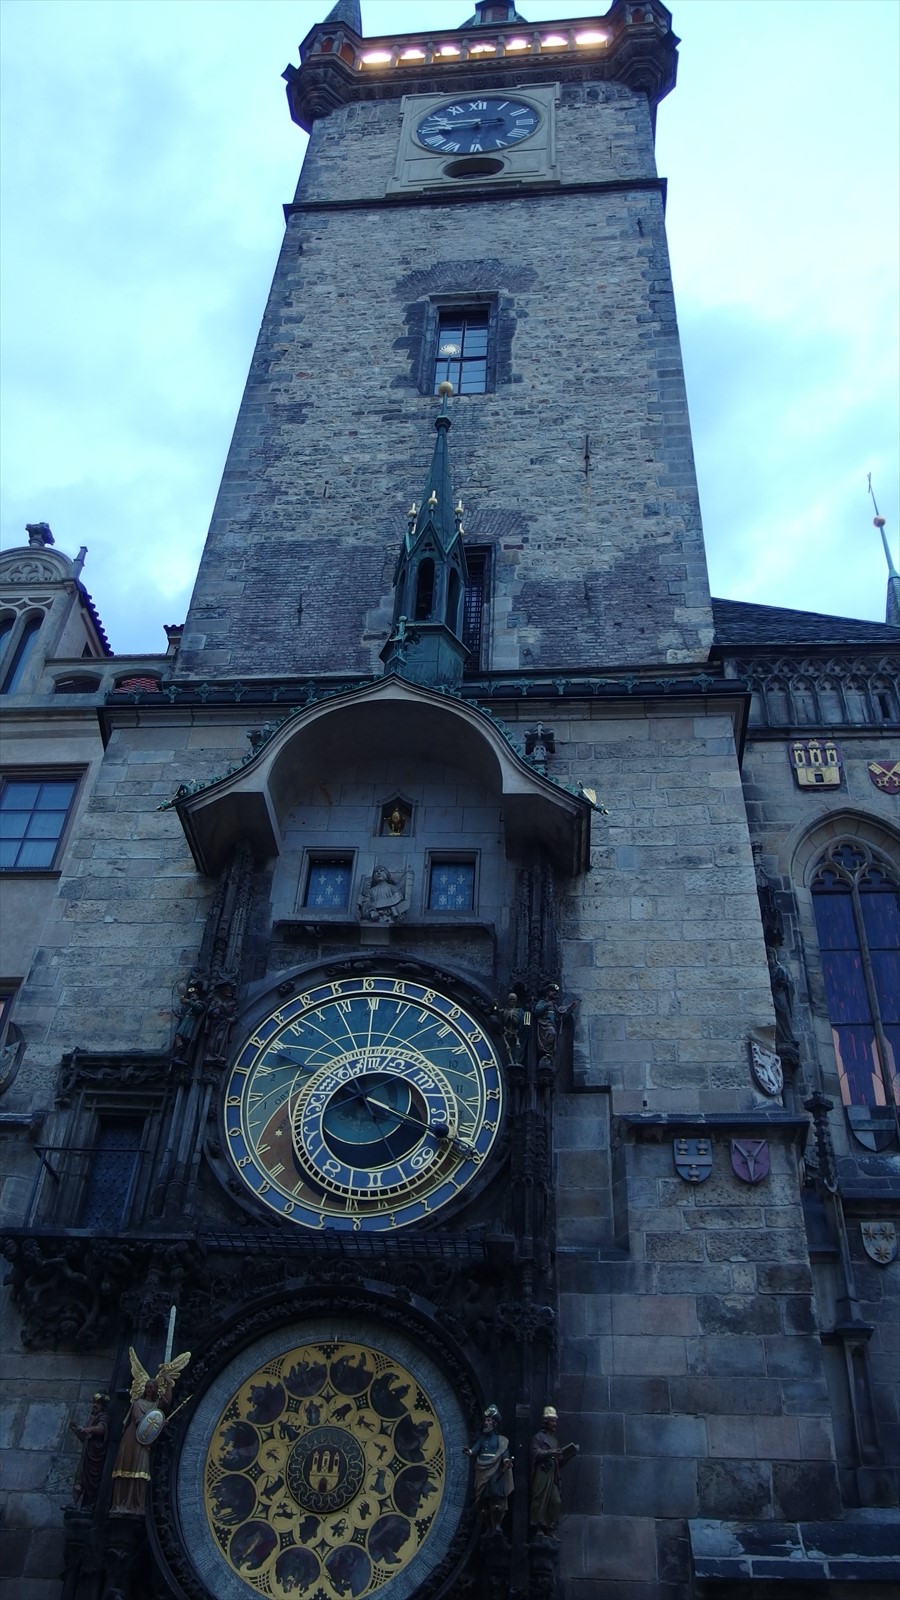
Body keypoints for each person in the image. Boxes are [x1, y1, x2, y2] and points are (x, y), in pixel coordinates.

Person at [462, 1405, 513, 1535]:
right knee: (483, 1500)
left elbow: (504, 1452)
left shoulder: (500, 1440)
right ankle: (488, 1526)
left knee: (495, 1497)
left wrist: (506, 1461)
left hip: (495, 1470)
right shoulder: (482, 1439)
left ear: (494, 1424)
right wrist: (469, 1452)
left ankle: (497, 1524)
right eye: (485, 1420)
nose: (486, 1422)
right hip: (482, 1470)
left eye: (489, 1420)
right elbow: (475, 1450)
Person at [529, 1405, 578, 1536]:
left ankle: (550, 1527)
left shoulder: (554, 1440)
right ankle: (538, 1527)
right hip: (542, 1472)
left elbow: (559, 1462)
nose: (555, 1424)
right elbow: (535, 1453)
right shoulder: (538, 1437)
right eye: (552, 1421)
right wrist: (550, 1453)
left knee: (555, 1501)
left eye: (555, 1421)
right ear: (546, 1422)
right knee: (540, 1498)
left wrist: (567, 1456)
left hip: (553, 1474)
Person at [70, 1392, 109, 1509]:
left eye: (98, 1403)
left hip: (95, 1453)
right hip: (87, 1451)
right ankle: (74, 1503)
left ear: (103, 1405)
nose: (95, 1405)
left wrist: (89, 1429)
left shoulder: (104, 1417)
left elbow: (101, 1429)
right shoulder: (92, 1418)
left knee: (92, 1480)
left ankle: (91, 1505)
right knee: (80, 1478)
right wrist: (76, 1430)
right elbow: (85, 1437)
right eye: (94, 1403)